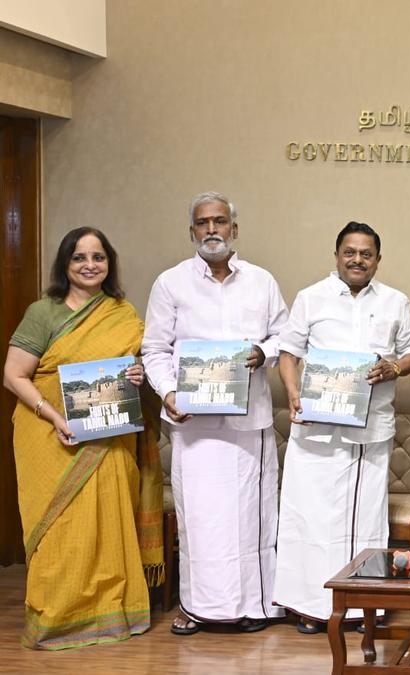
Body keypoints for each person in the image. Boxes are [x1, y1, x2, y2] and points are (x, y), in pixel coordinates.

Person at [3, 227, 162, 650]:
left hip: (108, 440)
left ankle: (115, 613)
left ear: (109, 263)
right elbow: (13, 374)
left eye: (98, 257)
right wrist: (56, 417)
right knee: (59, 532)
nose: (90, 265)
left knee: (108, 525)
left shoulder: (122, 313)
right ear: (65, 264)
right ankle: (57, 618)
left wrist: (137, 375)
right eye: (79, 257)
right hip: (51, 436)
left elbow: (136, 374)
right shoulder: (45, 312)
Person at [142, 192, 289, 635]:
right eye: (203, 223)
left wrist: (263, 351)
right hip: (195, 426)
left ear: (234, 229)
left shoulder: (262, 282)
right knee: (202, 520)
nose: (212, 230)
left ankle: (256, 606)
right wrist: (168, 393)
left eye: (220, 222)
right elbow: (154, 349)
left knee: (251, 516)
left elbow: (286, 336)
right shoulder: (170, 283)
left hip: (249, 423)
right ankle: (198, 607)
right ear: (192, 232)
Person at [273, 221, 410, 633]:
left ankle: (360, 606)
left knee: (363, 521)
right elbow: (288, 352)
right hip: (317, 429)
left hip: (368, 431)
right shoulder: (310, 298)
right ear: (337, 255)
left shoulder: (395, 301)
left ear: (378, 259)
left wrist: (393, 366)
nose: (358, 260)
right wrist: (292, 392)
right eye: (349, 252)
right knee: (310, 517)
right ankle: (310, 606)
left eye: (366, 254)